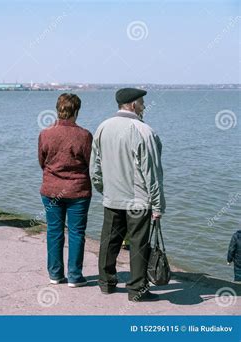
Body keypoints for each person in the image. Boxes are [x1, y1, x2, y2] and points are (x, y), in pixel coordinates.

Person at [90, 88, 165, 302]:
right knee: (138, 245)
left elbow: (94, 167)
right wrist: (158, 206)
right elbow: (152, 173)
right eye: (141, 103)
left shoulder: (103, 127)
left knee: (109, 241)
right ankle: (137, 290)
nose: (143, 107)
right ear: (133, 105)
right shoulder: (144, 131)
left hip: (112, 196)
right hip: (138, 200)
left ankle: (106, 283)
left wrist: (103, 189)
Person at [38, 93, 93, 288]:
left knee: (54, 231)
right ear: (76, 111)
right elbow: (90, 163)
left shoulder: (45, 133)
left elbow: (42, 162)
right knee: (77, 232)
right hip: (78, 191)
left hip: (51, 189)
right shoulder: (85, 135)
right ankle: (75, 276)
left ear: (57, 110)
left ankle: (55, 274)